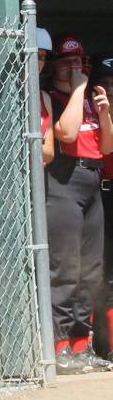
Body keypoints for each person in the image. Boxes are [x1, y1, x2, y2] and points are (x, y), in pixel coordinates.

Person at [45, 36, 113, 374]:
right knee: (66, 268)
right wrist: (76, 90)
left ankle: (81, 346)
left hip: (92, 180)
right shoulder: (57, 98)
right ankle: (60, 349)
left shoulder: (88, 100)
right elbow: (67, 135)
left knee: (91, 269)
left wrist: (103, 112)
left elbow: (106, 145)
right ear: (55, 65)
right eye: (67, 61)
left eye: (79, 62)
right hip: (63, 182)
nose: (75, 67)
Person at [91, 54, 113, 359]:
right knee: (103, 271)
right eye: (106, 83)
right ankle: (105, 344)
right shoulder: (92, 111)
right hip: (100, 193)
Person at [37, 27, 54, 167]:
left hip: (34, 176)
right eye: (34, 55)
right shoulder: (6, 93)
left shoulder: (44, 98)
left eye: (41, 56)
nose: (38, 62)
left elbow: (49, 153)